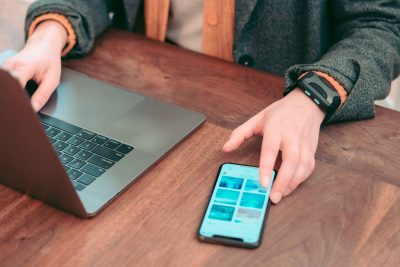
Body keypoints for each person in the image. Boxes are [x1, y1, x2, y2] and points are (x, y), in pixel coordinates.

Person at [3, 0, 399, 204]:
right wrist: (49, 35)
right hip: (138, 85)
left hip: (262, 118)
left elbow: (383, 25)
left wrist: (313, 96)